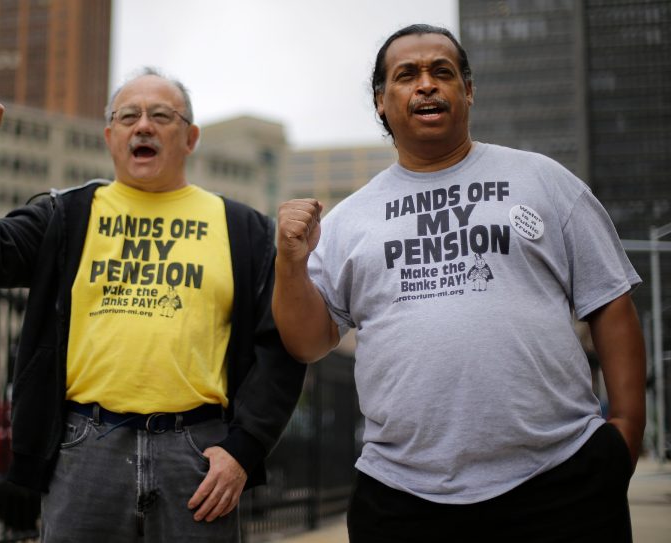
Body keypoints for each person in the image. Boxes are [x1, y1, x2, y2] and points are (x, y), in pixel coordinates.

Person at [273, 24, 645, 542]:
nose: (426, 84)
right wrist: (290, 262)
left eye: (441, 72)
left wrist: (624, 433)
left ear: (467, 91)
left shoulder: (544, 180)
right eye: (407, 75)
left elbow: (610, 302)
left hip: (562, 478)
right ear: (382, 102)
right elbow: (309, 342)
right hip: (403, 497)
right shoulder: (347, 220)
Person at [0, 67, 306, 542]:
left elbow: (282, 344)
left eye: (160, 115)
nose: (143, 126)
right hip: (84, 449)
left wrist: (243, 449)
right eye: (128, 116)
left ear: (190, 137)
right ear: (110, 136)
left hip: (197, 455)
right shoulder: (66, 215)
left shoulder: (243, 230)